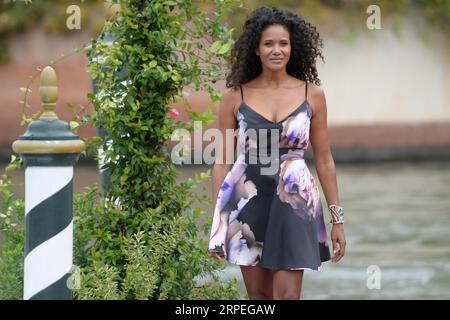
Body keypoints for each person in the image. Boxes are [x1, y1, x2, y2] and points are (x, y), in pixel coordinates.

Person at [207, 6, 346, 300]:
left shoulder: (313, 94)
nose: (276, 50)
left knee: (287, 296)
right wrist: (218, 223)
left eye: (283, 43)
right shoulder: (235, 96)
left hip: (295, 200)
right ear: (256, 49)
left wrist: (337, 219)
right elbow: (223, 162)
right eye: (268, 43)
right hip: (248, 200)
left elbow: (324, 160)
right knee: (259, 298)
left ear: (292, 47)